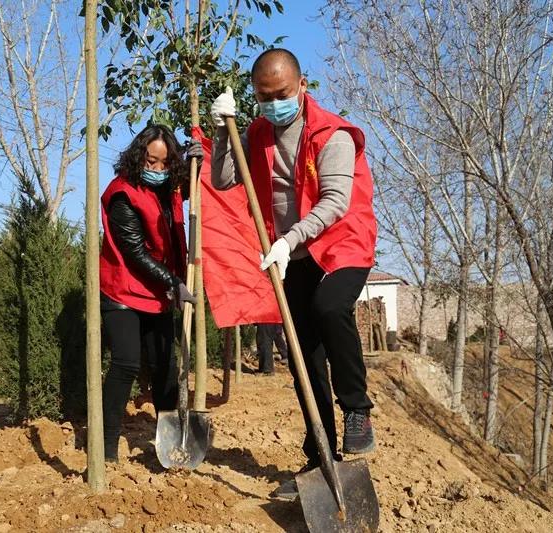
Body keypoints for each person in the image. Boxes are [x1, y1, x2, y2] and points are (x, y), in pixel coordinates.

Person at [210, 48, 378, 497]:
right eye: (263, 96)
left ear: (302, 86)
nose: (272, 103)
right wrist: (222, 130)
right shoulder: (258, 130)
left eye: (281, 93)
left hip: (342, 243)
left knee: (329, 306)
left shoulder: (331, 134)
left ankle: (357, 410)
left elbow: (336, 202)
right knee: (304, 355)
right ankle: (320, 457)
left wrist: (288, 238)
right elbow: (226, 179)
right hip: (294, 255)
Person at [99, 124, 202, 463]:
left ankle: (171, 441)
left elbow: (191, 190)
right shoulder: (122, 193)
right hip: (123, 291)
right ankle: (106, 445)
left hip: (157, 295)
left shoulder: (168, 188)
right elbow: (134, 252)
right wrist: (174, 283)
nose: (157, 169)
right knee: (126, 364)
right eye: (150, 161)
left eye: (164, 163)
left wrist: (198, 162)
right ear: (138, 157)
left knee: (164, 368)